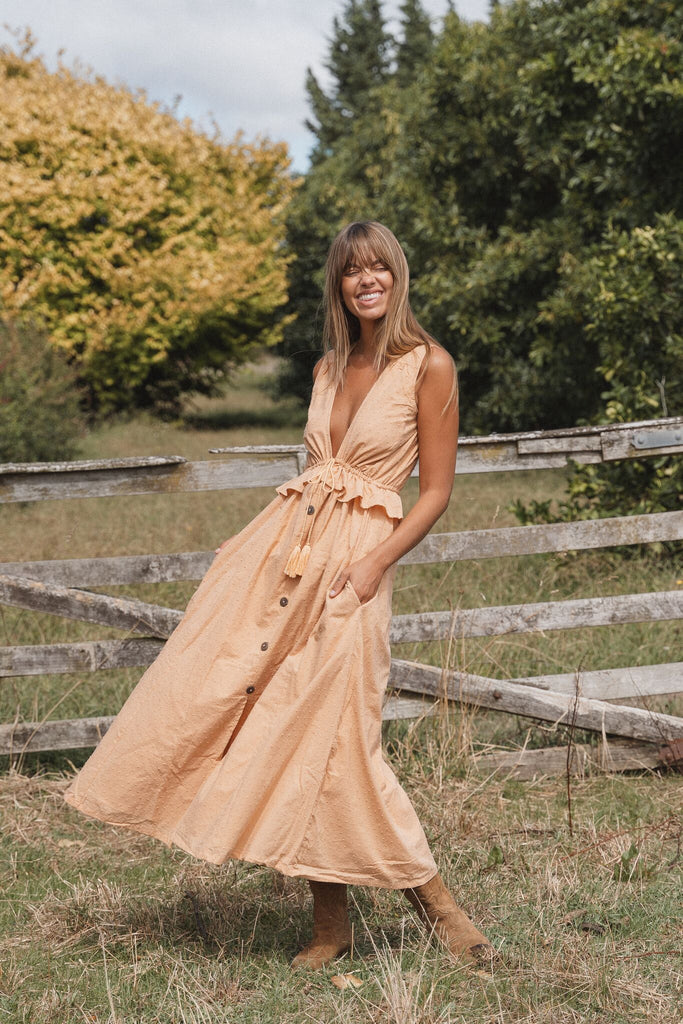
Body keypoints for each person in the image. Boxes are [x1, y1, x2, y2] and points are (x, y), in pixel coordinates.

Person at [63, 221, 493, 969]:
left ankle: (440, 908)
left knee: (341, 736)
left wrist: (373, 565)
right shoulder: (329, 366)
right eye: (352, 271)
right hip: (286, 560)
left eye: (379, 269)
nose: (367, 281)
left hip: (355, 566)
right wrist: (249, 545)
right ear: (338, 284)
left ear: (397, 277)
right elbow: (312, 475)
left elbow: (434, 493)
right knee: (269, 720)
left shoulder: (428, 365)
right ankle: (331, 924)